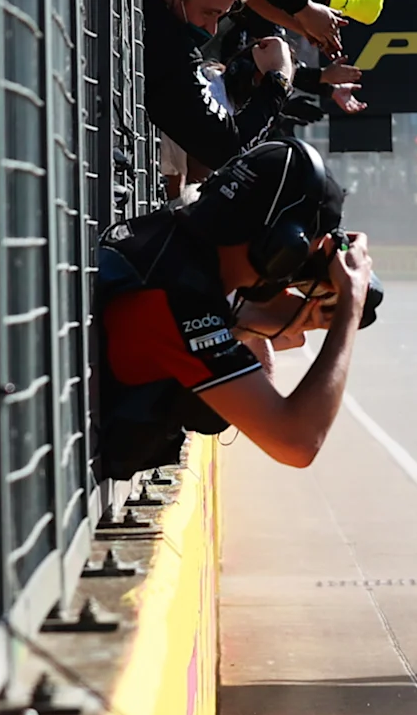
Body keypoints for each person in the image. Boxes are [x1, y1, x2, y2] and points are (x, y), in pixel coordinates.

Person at [95, 139, 375, 473]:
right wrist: (351, 303)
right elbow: (297, 443)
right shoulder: (180, 300)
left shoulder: (168, 244)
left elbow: (259, 328)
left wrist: (248, 324)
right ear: (281, 246)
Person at [143, 0, 326, 178]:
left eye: (219, 18)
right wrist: (278, 82)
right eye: (209, 13)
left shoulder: (148, 4)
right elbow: (227, 148)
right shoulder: (171, 49)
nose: (211, 30)